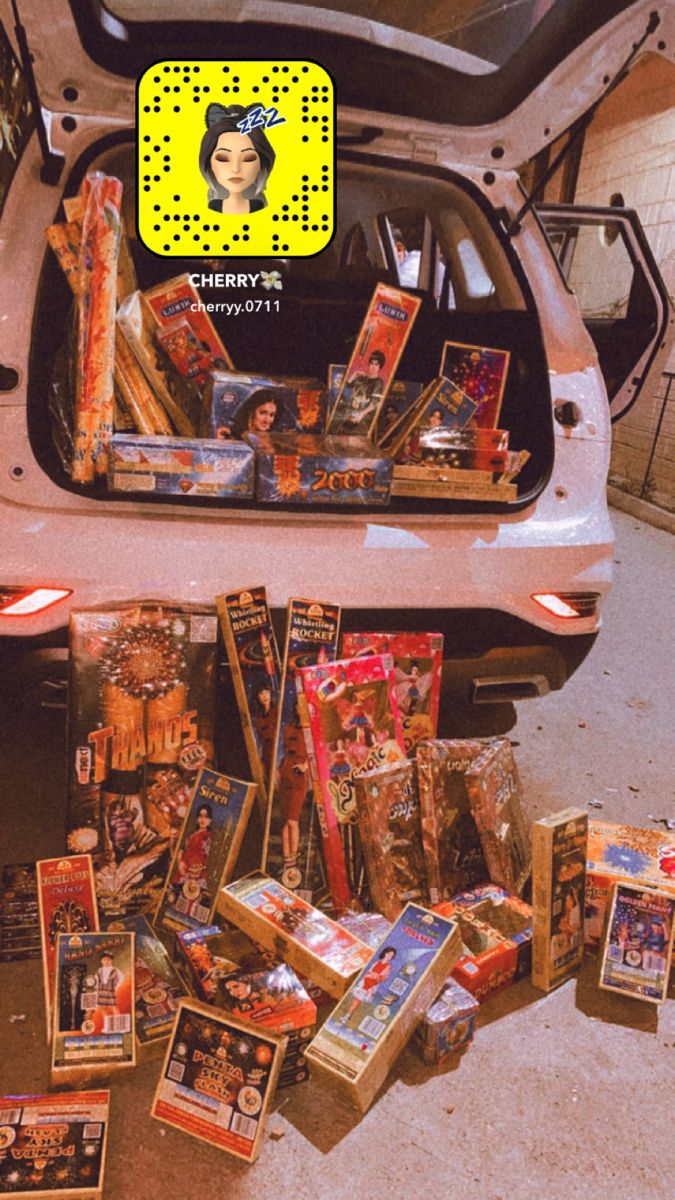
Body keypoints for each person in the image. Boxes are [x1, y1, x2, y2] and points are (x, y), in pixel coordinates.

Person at [199, 103, 275, 216]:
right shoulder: (214, 206)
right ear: (209, 163)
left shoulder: (258, 207)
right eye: (223, 158)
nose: (235, 169)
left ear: (261, 163)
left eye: (249, 159)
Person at [341, 946, 396, 1027]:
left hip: (372, 985)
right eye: (389, 954)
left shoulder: (388, 967)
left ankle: (348, 1016)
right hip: (365, 981)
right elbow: (369, 971)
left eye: (392, 956)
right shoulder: (377, 962)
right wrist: (371, 975)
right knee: (356, 999)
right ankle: (348, 1015)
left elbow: (383, 978)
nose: (390, 957)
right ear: (385, 953)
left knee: (358, 1000)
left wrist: (375, 976)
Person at [171, 803, 212, 906]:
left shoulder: (207, 836)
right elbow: (183, 850)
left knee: (191, 897)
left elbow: (202, 856)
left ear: (210, 820)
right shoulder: (192, 833)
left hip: (194, 870)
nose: (202, 819)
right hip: (183, 868)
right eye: (200, 816)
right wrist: (180, 861)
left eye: (206, 816)